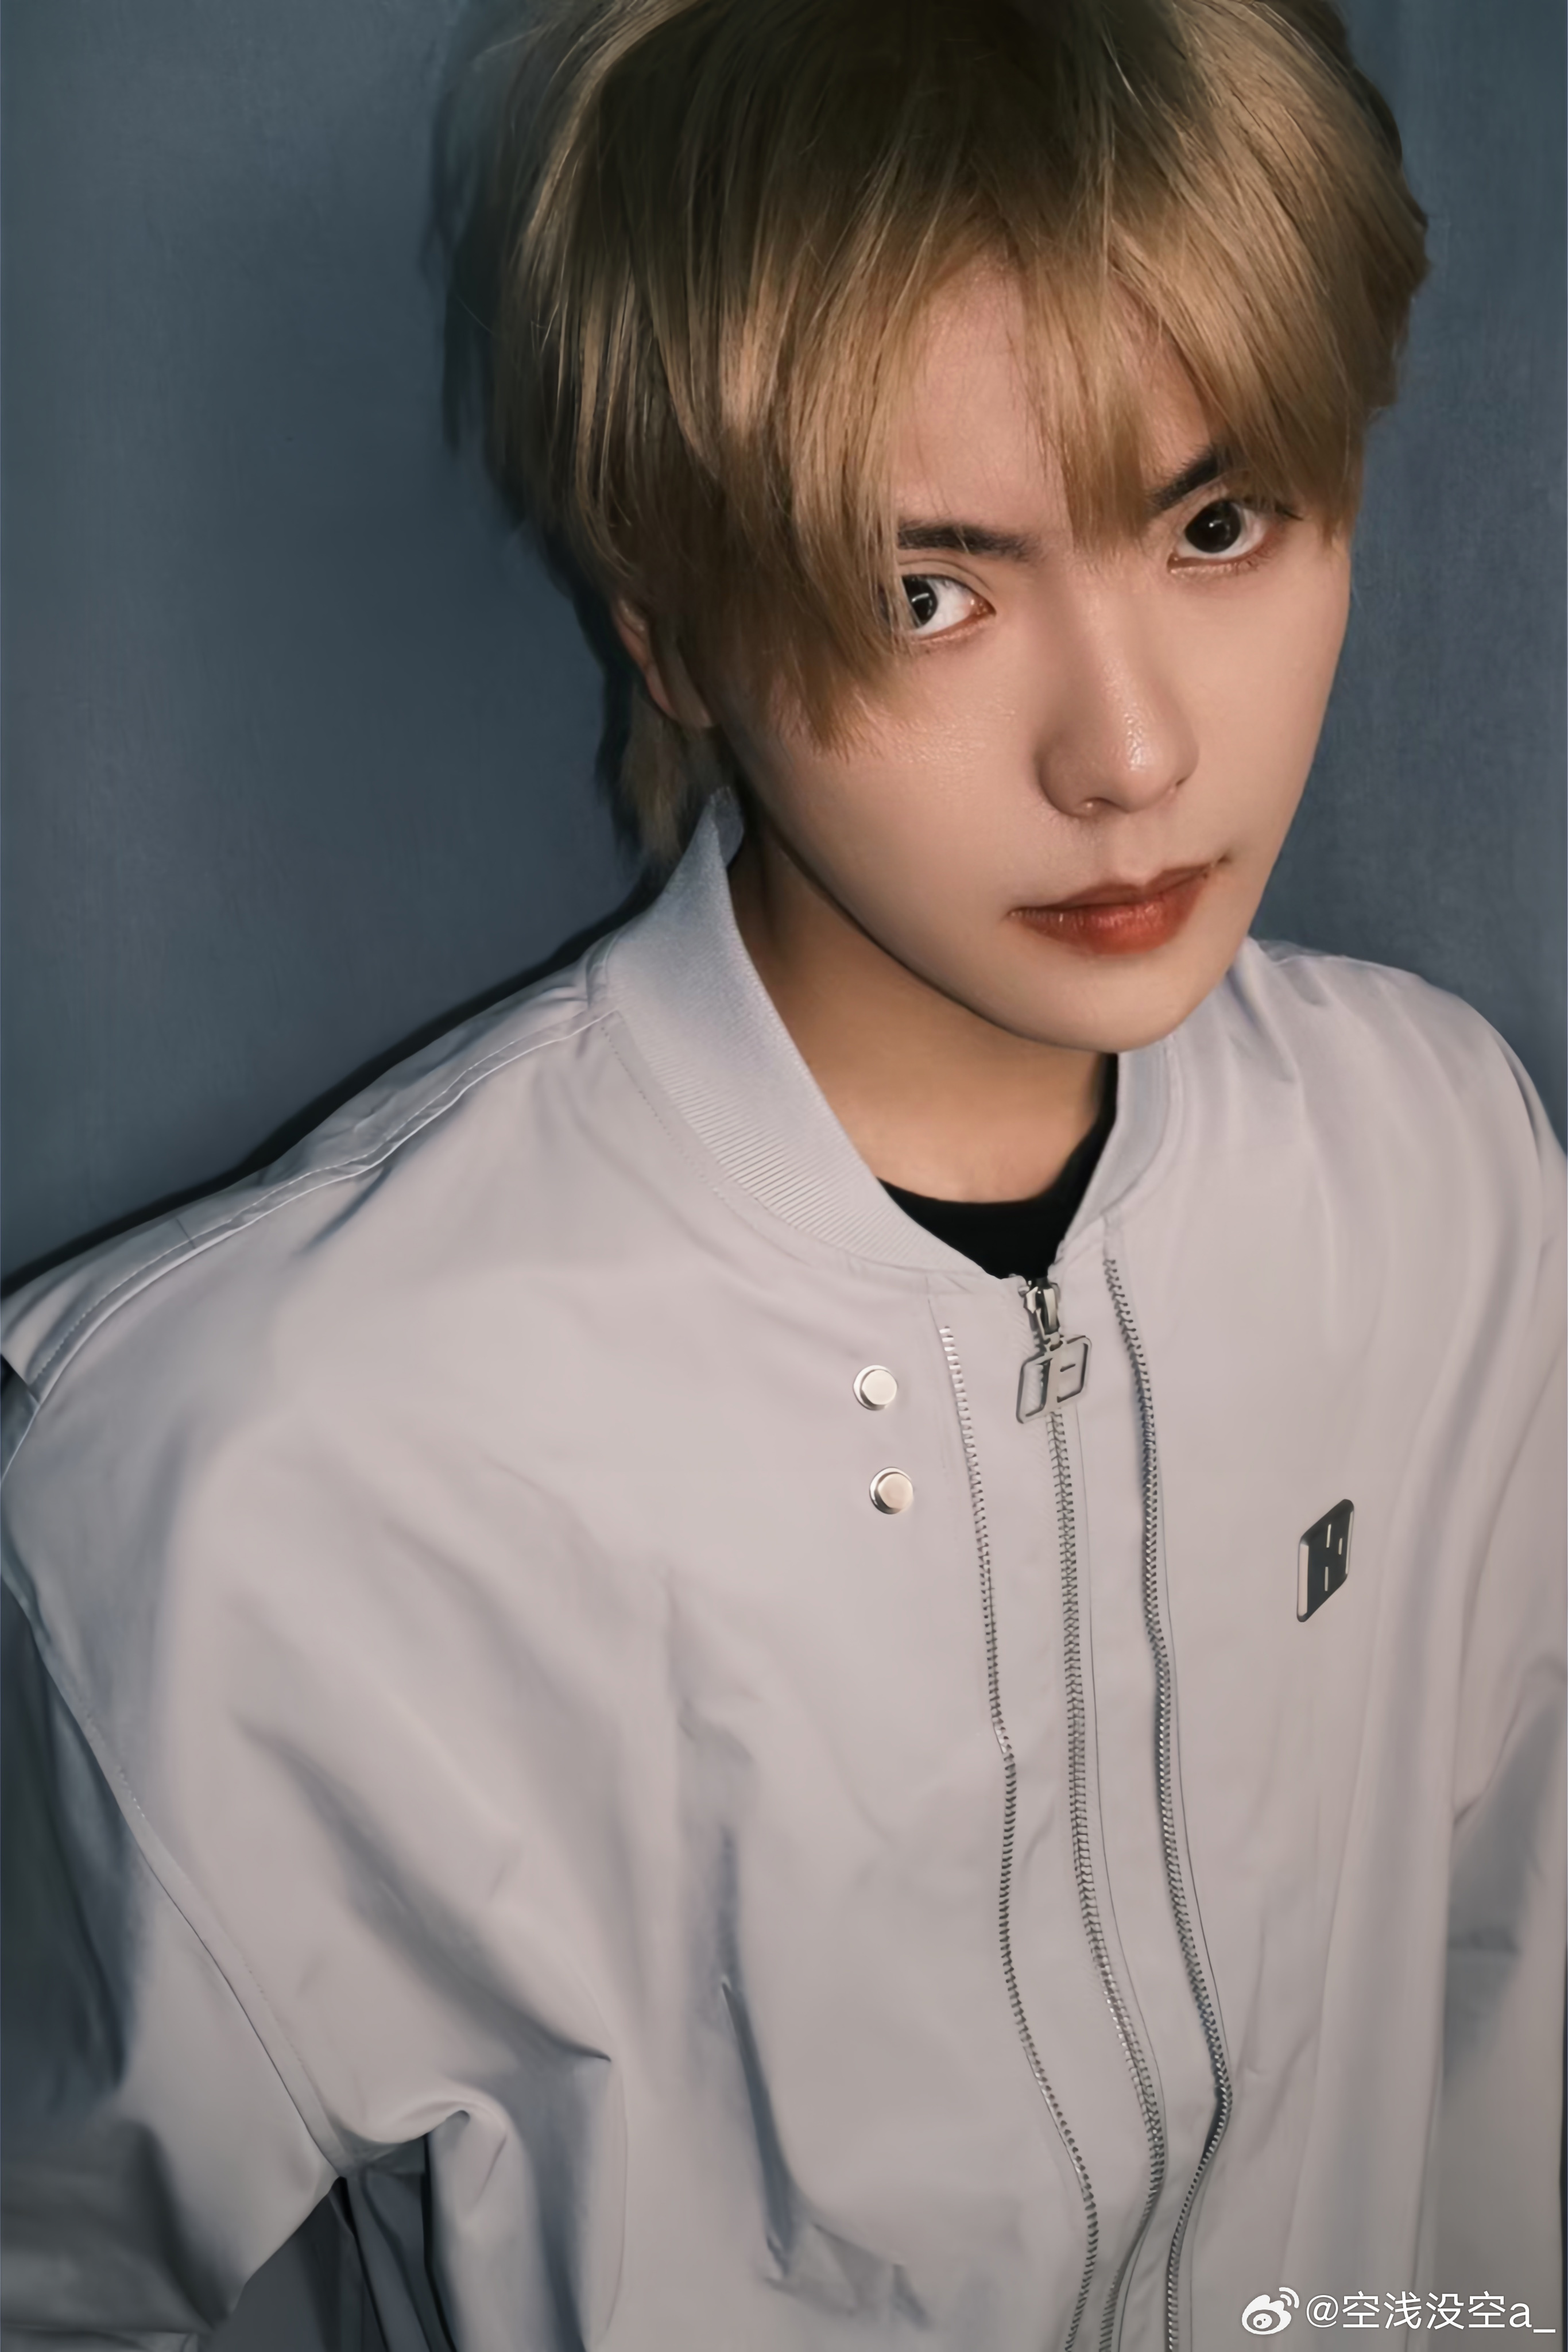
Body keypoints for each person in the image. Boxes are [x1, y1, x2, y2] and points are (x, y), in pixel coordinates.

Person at [3, 0, 1561, 2345]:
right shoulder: (261, 1465)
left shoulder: (1438, 1173)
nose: (1131, 753)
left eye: (1214, 520)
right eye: (925, 589)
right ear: (668, 625)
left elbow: (1503, 2030)